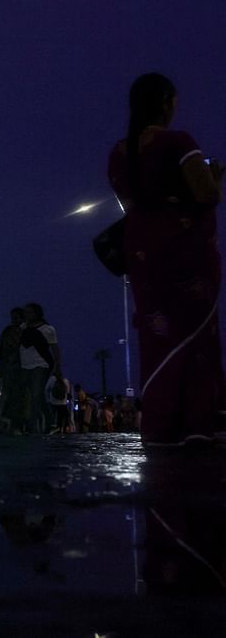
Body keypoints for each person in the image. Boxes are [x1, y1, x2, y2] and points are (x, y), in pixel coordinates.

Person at [108, 72, 224, 446]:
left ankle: (160, 425)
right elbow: (206, 195)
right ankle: (196, 423)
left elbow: (130, 206)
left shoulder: (120, 153)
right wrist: (215, 178)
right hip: (183, 250)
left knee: (158, 334)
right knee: (196, 334)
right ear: (165, 102)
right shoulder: (177, 143)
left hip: (143, 253)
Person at [19, 302, 62, 434]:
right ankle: (50, 423)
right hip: (25, 365)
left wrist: (57, 366)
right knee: (34, 395)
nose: (26, 314)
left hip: (41, 365)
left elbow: (55, 349)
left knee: (36, 394)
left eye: (29, 312)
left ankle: (32, 426)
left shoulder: (48, 329)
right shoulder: (23, 327)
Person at [0, 307, 26, 432]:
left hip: (20, 368)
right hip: (7, 368)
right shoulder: (8, 330)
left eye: (16, 317)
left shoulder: (27, 331)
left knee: (18, 397)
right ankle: (11, 424)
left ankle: (17, 424)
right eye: (12, 317)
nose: (13, 320)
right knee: (7, 396)